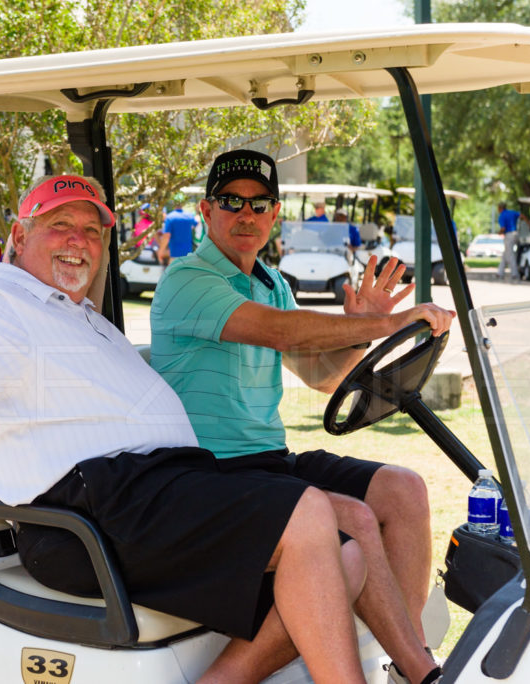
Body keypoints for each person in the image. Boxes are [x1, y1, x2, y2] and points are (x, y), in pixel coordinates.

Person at [0, 149, 427, 684]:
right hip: (90, 511)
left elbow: (318, 370)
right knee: (311, 513)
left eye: (92, 231)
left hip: (154, 491)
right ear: (19, 239)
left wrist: (359, 333)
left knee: (349, 554)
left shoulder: (79, 315)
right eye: (60, 225)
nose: (79, 239)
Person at [151, 149, 452, 684]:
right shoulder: (188, 280)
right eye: (231, 202)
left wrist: (362, 329)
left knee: (404, 490)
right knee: (354, 522)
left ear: (273, 214)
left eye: (259, 203)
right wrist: (392, 324)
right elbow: (280, 332)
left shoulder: (272, 283)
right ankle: (422, 672)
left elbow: (322, 376)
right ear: (206, 210)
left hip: (269, 461)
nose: (246, 214)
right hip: (209, 472)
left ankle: (406, 659)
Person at [157, 195, 198, 264]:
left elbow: (166, 236)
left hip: (175, 255)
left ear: (173, 203)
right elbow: (196, 224)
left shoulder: (170, 217)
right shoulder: (189, 216)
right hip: (188, 255)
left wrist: (160, 251)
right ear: (183, 204)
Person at [496, 202, 530, 280]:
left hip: (509, 235)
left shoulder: (502, 216)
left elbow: (503, 228)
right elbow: (523, 216)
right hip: (515, 234)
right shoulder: (512, 212)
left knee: (510, 255)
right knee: (506, 254)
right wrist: (529, 225)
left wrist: (499, 233)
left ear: (500, 208)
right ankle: (500, 273)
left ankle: (515, 274)